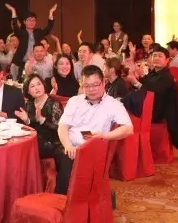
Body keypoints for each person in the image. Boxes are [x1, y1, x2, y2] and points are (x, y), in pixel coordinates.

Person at [55, 65, 133, 195]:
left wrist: (104, 135)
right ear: (81, 85)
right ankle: (67, 199)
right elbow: (62, 126)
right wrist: (68, 145)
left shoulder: (113, 104)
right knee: (62, 155)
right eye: (87, 86)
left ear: (103, 82)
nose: (91, 89)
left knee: (68, 163)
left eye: (95, 85)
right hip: (69, 146)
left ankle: (64, 200)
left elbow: (128, 129)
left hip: (92, 149)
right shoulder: (75, 101)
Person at [16, 74, 63, 158]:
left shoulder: (54, 103)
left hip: (51, 142)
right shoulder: (29, 104)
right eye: (32, 86)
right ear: (28, 91)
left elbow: (59, 129)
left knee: (27, 147)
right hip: (34, 140)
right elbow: (32, 128)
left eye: (39, 84)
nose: (37, 88)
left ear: (43, 85)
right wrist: (27, 120)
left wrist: (42, 120)